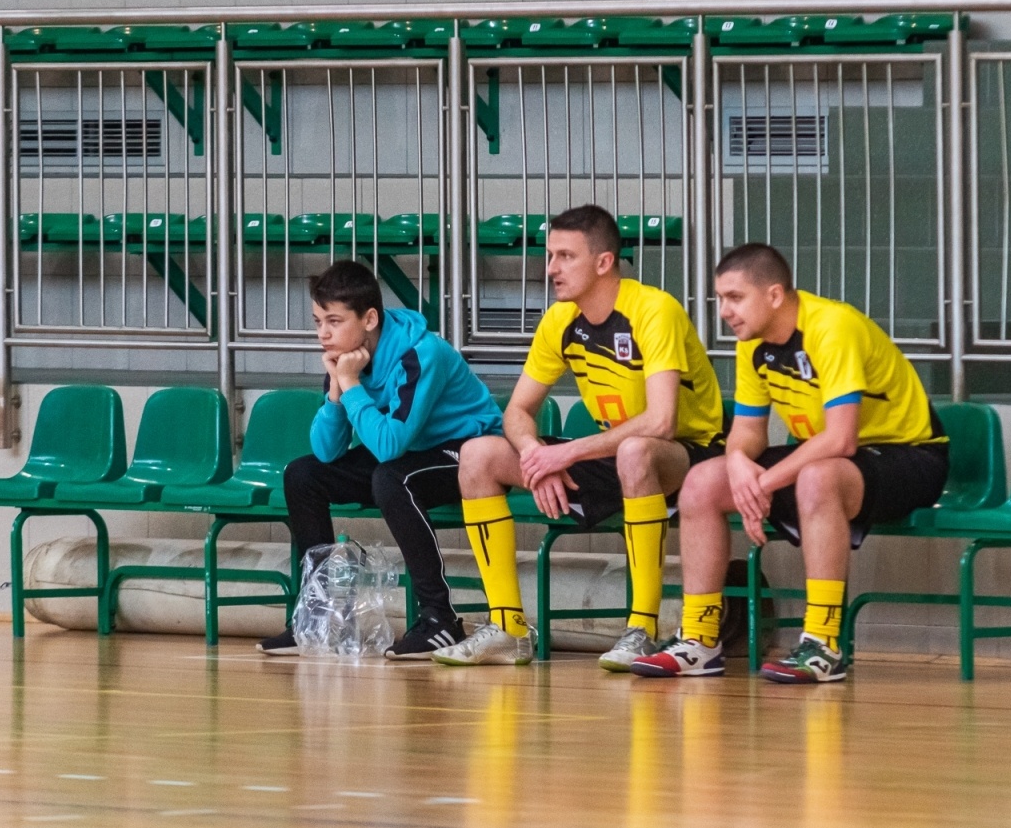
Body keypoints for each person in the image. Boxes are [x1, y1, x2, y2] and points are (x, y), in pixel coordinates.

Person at [631, 243, 949, 683]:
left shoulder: (832, 326)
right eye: (720, 299)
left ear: (775, 295)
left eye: (735, 297)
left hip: (910, 455)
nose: (725, 310)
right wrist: (739, 465)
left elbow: (841, 437)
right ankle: (699, 640)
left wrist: (762, 484)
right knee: (703, 481)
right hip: (829, 455)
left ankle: (822, 644)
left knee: (817, 477)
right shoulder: (752, 343)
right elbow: (747, 431)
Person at [434, 204, 725, 670]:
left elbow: (662, 420)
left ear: (604, 262)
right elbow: (517, 411)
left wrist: (565, 453)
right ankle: (508, 625)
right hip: (614, 449)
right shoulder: (560, 320)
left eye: (565, 256)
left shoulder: (653, 310)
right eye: (550, 255)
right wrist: (534, 456)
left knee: (634, 450)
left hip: (689, 455)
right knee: (479, 455)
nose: (551, 268)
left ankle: (642, 629)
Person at [258, 260, 504, 659]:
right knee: (303, 474)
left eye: (334, 321)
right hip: (409, 453)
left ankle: (440, 620)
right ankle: (320, 617)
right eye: (318, 321)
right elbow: (327, 452)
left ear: (369, 318)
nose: (323, 333)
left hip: (469, 450)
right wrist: (338, 392)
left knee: (391, 477)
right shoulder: (345, 356)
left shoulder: (421, 353)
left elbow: (389, 445)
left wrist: (351, 384)